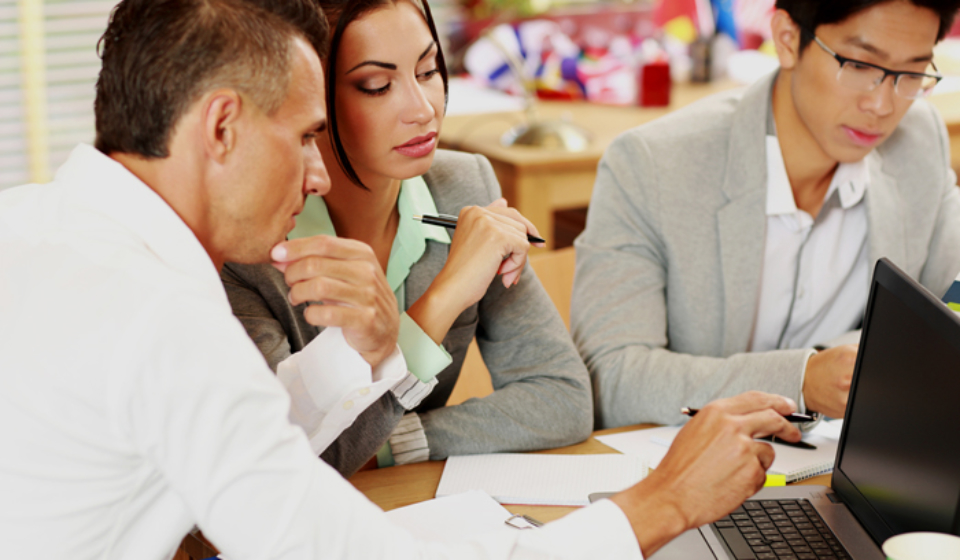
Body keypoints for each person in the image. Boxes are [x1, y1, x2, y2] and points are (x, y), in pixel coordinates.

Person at [0, 0, 805, 558]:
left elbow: (246, 435)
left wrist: (366, 354)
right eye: (310, 135)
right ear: (221, 126)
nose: (317, 174)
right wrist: (659, 505)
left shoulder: (32, 225)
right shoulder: (168, 318)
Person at [222, 0, 592, 475]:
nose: (423, 110)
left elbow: (562, 397)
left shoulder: (466, 187)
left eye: (428, 70)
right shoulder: (246, 249)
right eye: (376, 86)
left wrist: (402, 442)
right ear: (309, 98)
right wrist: (444, 298)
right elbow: (278, 466)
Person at [572, 0, 960, 429]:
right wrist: (802, 379)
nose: (883, 105)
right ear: (788, 39)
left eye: (912, 73)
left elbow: (949, 305)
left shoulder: (917, 139)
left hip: (844, 472)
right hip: (687, 471)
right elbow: (610, 378)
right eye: (859, 65)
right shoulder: (654, 165)